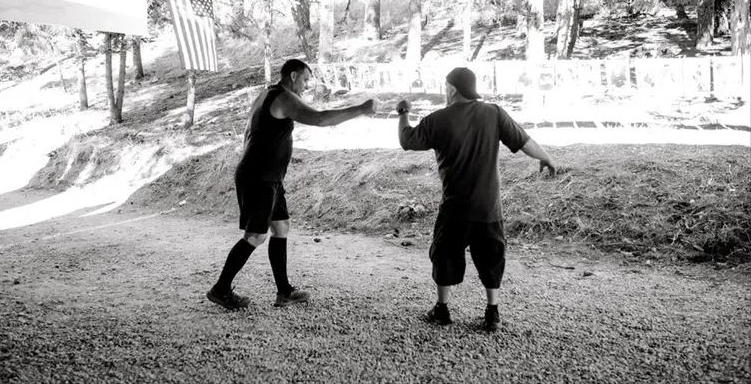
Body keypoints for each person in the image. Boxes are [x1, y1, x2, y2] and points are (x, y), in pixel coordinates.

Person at [396, 67, 557, 331]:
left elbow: (406, 140)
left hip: (454, 207)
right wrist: (545, 157)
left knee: (445, 255)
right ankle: (492, 313)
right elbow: (523, 141)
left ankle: (442, 309)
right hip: (488, 207)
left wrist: (403, 113)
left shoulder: (438, 119)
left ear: (452, 89)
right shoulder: (493, 113)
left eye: (445, 87)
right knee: (492, 257)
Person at [208, 59, 377, 310]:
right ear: (294, 75)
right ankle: (220, 289)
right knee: (255, 236)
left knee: (282, 227)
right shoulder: (284, 97)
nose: (306, 86)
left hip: (268, 177)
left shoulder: (266, 95)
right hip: (260, 178)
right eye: (306, 80)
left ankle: (284, 292)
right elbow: (319, 119)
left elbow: (247, 135)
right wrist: (361, 109)